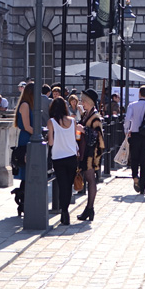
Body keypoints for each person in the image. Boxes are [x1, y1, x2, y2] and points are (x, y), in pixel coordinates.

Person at [47, 97, 81, 226]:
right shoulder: (72, 121)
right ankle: (65, 211)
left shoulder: (51, 122)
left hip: (58, 157)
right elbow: (76, 137)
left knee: (62, 185)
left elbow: (51, 142)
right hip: (71, 156)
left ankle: (64, 212)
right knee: (69, 185)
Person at [77, 89, 104, 221]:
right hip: (85, 150)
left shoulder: (95, 117)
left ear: (90, 102)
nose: (82, 103)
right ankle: (89, 209)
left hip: (91, 153)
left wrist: (83, 129)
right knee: (89, 179)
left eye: (84, 101)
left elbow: (98, 136)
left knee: (90, 179)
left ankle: (90, 208)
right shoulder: (87, 114)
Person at [12, 82, 34, 216]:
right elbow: (27, 126)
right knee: (27, 172)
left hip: (30, 137)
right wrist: (38, 133)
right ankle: (22, 201)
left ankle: (25, 201)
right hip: (27, 138)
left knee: (30, 173)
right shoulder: (25, 105)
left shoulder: (30, 105)